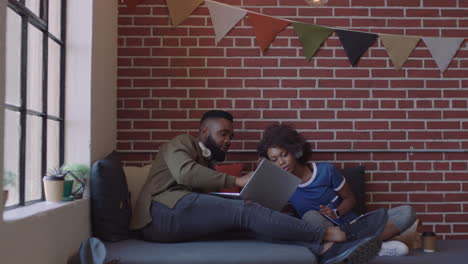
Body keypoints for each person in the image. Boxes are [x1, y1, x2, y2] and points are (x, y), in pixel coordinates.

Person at [131, 110, 387, 264]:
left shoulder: (207, 164)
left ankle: (325, 250)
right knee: (245, 211)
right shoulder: (181, 143)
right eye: (223, 134)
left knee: (248, 221)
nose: (228, 141)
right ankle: (337, 234)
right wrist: (238, 181)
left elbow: (206, 201)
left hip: (178, 219)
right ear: (203, 132)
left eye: (231, 136)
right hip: (159, 213)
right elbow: (185, 173)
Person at [257, 123, 417, 257]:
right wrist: (263, 176)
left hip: (355, 224)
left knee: (407, 212)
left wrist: (337, 212)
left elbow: (350, 199)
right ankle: (375, 245)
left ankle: (363, 246)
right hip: (326, 232)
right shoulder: (282, 185)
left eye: (284, 155)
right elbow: (267, 214)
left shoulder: (326, 170)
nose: (281, 162)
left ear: (295, 151)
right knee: (310, 217)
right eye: (274, 160)